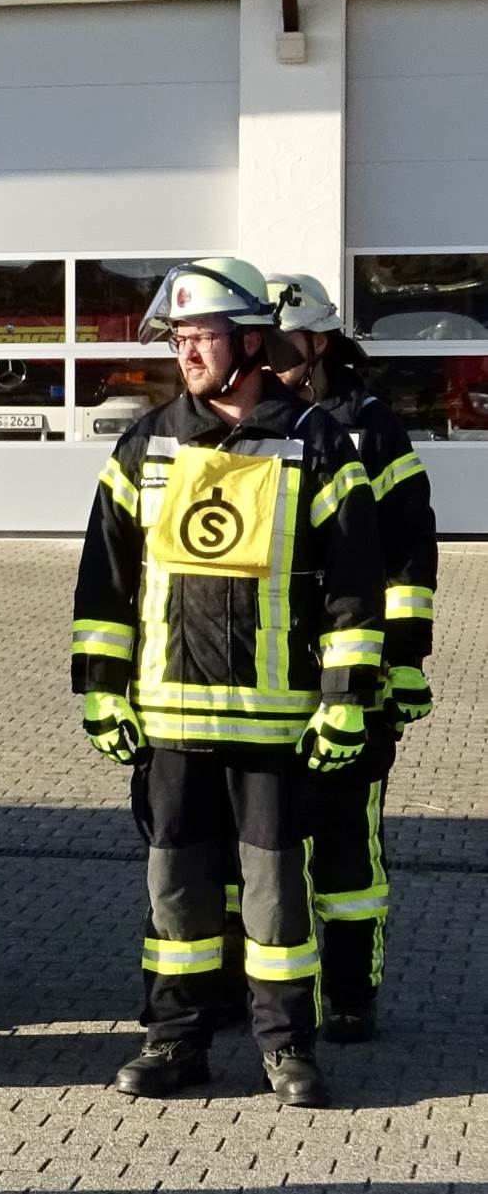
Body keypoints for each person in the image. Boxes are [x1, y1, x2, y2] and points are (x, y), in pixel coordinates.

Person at [72, 257, 383, 1110]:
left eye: (201, 335)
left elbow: (357, 585)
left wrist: (345, 698)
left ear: (250, 341)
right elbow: (105, 581)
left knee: (278, 901)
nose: (187, 353)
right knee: (176, 890)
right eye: (177, 338)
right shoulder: (148, 442)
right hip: (170, 715)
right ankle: (175, 1041)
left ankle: (287, 1048)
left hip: (274, 718)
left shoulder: (316, 442)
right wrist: (100, 688)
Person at [267, 271, 436, 1044]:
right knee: (264, 843)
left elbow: (407, 556)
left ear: (319, 342)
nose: (264, 359)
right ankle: (269, 990)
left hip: (354, 667)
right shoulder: (261, 424)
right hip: (270, 670)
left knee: (346, 844)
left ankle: (350, 991)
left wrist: (400, 662)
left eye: (277, 344)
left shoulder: (370, 430)